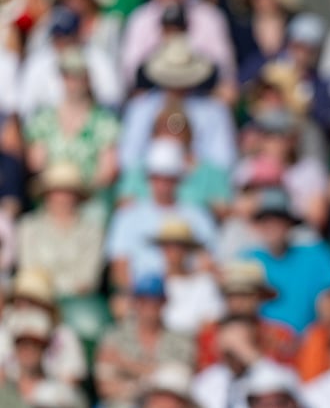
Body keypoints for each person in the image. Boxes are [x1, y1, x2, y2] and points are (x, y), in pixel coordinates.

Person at [120, 0, 237, 98]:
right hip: (153, 94)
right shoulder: (141, 18)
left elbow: (224, 67)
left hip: (201, 94)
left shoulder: (210, 17)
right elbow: (130, 70)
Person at [105, 138, 219, 288]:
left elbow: (209, 261)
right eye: (157, 177)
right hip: (143, 299)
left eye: (169, 178)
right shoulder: (127, 216)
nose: (163, 185)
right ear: (149, 178)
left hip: (189, 293)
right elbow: (119, 267)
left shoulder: (198, 215)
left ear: (179, 179)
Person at [119, 35, 237, 175]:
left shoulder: (214, 111)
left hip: (201, 187)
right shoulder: (140, 108)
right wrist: (161, 168)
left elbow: (224, 162)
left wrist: (192, 168)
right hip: (149, 185)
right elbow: (128, 159)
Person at [22, 46, 120, 205]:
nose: (72, 82)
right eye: (67, 76)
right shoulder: (43, 119)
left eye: (77, 76)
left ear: (87, 79)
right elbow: (36, 162)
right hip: (52, 194)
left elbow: (107, 171)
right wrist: (62, 186)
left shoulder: (105, 121)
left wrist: (77, 190)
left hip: (89, 199)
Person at [245, 187, 330, 333]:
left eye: (278, 219)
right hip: (265, 346)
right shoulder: (247, 262)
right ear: (258, 225)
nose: (272, 225)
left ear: (289, 223)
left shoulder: (316, 256)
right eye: (266, 220)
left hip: (308, 345)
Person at [94, 276, 195, 408]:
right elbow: (105, 387)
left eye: (155, 300)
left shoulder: (181, 340)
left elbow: (177, 380)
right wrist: (152, 379)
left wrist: (125, 364)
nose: (149, 306)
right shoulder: (114, 336)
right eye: (143, 300)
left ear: (165, 301)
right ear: (135, 302)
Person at [15, 162, 105, 297]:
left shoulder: (92, 232)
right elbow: (28, 272)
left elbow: (88, 279)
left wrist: (51, 285)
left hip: (77, 301)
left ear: (77, 196)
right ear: (46, 194)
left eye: (68, 192)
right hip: (37, 300)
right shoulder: (28, 227)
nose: (62, 198)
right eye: (56, 191)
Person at [195, 261, 297, 369]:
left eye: (245, 295)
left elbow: (288, 379)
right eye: (231, 295)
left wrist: (246, 352)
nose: (237, 303)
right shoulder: (208, 334)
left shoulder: (279, 336)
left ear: (260, 297)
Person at [192, 316, 295, 408]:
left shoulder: (267, 371)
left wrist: (249, 355)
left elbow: (292, 390)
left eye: (242, 340)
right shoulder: (207, 380)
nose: (235, 348)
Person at [156, 218, 223, 335]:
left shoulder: (204, 283)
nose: (173, 250)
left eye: (179, 245)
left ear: (188, 249)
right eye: (168, 245)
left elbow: (211, 322)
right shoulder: (154, 284)